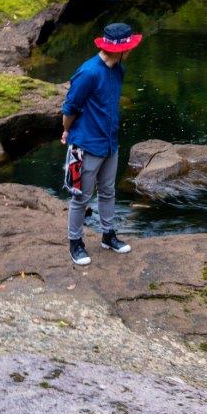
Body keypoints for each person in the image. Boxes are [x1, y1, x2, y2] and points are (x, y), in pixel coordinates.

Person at [60, 22, 142, 265]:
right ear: (120, 49)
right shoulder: (88, 72)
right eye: (129, 47)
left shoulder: (118, 70)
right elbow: (70, 108)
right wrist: (66, 131)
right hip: (86, 144)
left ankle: (108, 235)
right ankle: (75, 242)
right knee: (81, 197)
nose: (131, 50)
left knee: (107, 191)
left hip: (110, 143)